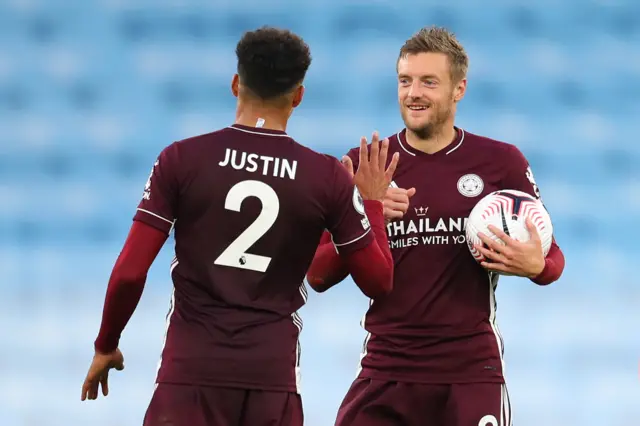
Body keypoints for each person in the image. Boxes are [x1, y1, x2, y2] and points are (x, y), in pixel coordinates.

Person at [80, 26, 400, 426]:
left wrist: (106, 344)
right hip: (271, 380)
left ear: (235, 84)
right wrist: (370, 205)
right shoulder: (326, 177)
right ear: (299, 95)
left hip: (189, 376)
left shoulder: (182, 159)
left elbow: (130, 272)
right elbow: (378, 280)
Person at [306, 26, 566, 426]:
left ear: (458, 89)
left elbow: (552, 258)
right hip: (387, 369)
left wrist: (538, 266)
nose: (414, 93)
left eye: (429, 82)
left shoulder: (500, 162)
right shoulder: (366, 164)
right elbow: (318, 274)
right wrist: (368, 213)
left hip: (469, 373)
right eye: (405, 81)